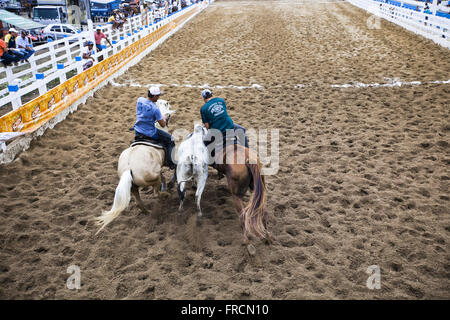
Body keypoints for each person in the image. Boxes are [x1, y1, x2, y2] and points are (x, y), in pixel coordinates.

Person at [200, 89, 249, 162]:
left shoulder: (203, 109)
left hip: (217, 131)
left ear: (203, 98)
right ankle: (247, 153)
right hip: (230, 126)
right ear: (211, 95)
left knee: (204, 144)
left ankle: (209, 161)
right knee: (242, 130)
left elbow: (207, 126)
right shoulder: (221, 100)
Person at [133, 86, 176, 169]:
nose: (159, 97)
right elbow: (163, 125)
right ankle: (171, 163)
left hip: (137, 130)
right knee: (171, 139)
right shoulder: (155, 109)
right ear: (154, 96)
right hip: (150, 133)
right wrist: (164, 118)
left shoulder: (140, 100)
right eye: (158, 96)